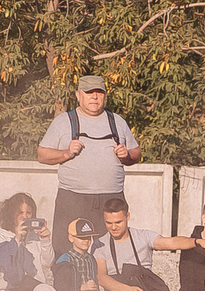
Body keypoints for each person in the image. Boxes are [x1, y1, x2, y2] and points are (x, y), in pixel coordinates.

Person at [37, 76, 141, 257]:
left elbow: (136, 153)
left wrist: (127, 155)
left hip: (112, 198)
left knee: (113, 252)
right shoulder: (64, 121)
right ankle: (67, 285)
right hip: (73, 197)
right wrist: (66, 154)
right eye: (89, 92)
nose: (94, 97)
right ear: (79, 95)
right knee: (66, 249)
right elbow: (42, 154)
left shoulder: (117, 121)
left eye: (99, 93)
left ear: (105, 96)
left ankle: (113, 285)